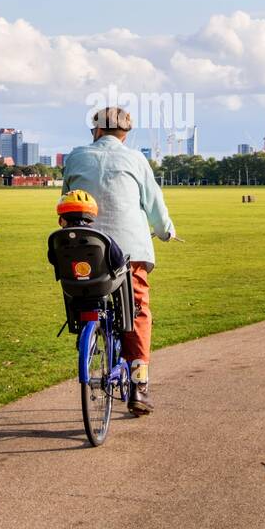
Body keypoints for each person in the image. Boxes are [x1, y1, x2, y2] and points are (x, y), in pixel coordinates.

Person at [61, 106, 175, 415]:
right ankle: (139, 386)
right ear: (125, 134)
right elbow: (154, 205)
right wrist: (166, 232)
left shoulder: (76, 156)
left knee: (84, 294)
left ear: (96, 131)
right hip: (127, 251)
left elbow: (66, 198)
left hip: (83, 249)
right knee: (137, 311)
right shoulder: (136, 159)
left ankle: (87, 332)